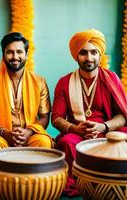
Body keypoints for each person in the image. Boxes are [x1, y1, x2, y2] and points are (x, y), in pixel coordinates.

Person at [51, 29, 127, 196]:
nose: (89, 58)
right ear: (76, 55)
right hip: (78, 134)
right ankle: (80, 184)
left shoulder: (111, 79)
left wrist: (103, 126)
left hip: (107, 133)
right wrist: (76, 129)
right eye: (84, 53)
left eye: (94, 52)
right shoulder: (64, 82)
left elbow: (122, 115)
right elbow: (56, 118)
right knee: (67, 143)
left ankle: (114, 180)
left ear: (100, 55)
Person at [0, 32, 53, 165]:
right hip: (0, 136)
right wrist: (4, 132)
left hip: (30, 136)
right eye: (10, 52)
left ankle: (33, 182)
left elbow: (45, 117)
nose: (15, 57)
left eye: (19, 52)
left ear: (26, 54)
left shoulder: (39, 81)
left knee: (43, 141)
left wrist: (29, 132)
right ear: (3, 55)